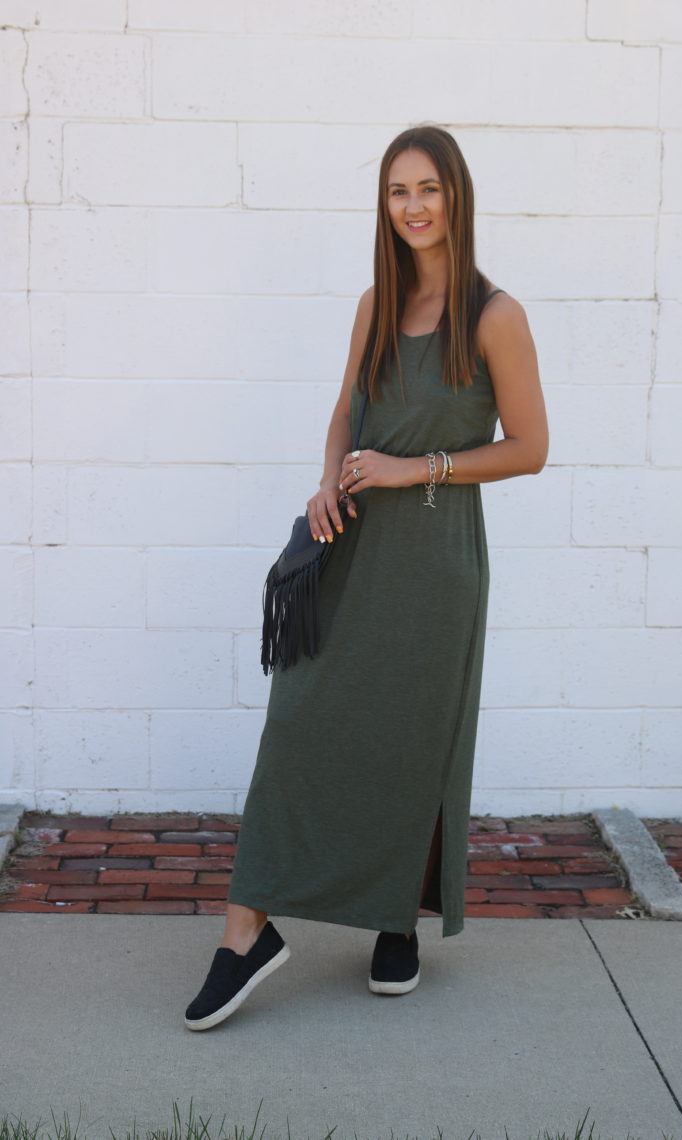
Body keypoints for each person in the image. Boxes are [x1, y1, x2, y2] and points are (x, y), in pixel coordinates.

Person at [184, 123, 548, 1031]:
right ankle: (246, 931)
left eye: (428, 188)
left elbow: (531, 449)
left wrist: (411, 469)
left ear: (456, 195)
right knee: (298, 723)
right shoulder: (374, 303)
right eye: (397, 191)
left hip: (435, 562)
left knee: (413, 740)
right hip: (348, 548)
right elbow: (346, 407)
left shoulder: (496, 316)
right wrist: (327, 481)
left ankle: (397, 920)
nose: (414, 206)